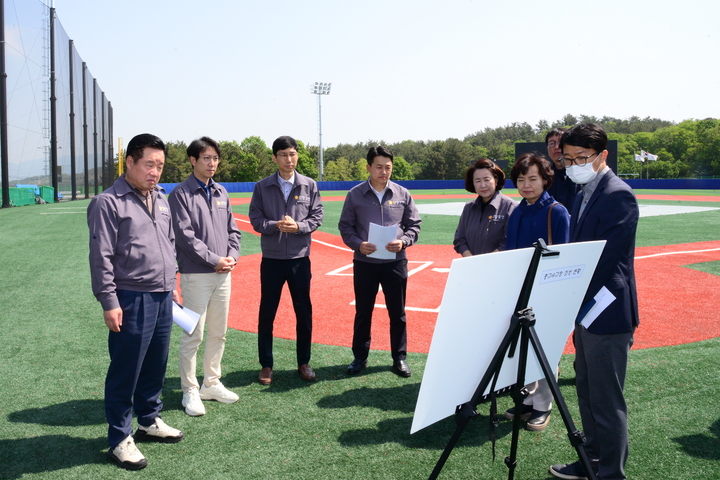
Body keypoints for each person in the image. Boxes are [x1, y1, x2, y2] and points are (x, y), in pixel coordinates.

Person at [88, 133, 183, 471]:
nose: (155, 172)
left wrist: (172, 282)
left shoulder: (160, 197)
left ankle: (149, 420)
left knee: (156, 363)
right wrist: (109, 301)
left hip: (162, 294)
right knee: (126, 370)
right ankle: (119, 438)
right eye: (148, 164)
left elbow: (169, 241)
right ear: (129, 162)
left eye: (159, 165)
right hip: (130, 298)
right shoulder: (108, 202)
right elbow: (101, 257)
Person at [549, 123, 639, 480]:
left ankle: (611, 473)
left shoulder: (618, 194)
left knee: (606, 398)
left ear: (602, 156)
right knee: (586, 388)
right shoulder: (582, 189)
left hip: (608, 310)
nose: (573, 165)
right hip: (586, 310)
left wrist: (563, 286)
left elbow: (604, 260)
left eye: (581, 158)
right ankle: (592, 459)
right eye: (568, 159)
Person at [168, 136, 242, 416]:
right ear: (193, 160)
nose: (212, 163)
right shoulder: (180, 194)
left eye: (215, 158)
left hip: (224, 273)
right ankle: (189, 390)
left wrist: (232, 257)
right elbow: (186, 237)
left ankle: (211, 382)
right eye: (206, 158)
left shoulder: (221, 192)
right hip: (196, 274)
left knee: (218, 332)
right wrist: (215, 260)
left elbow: (233, 231)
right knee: (193, 334)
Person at [338, 146, 422, 377]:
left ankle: (399, 358)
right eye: (379, 167)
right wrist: (358, 244)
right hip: (365, 262)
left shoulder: (402, 194)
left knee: (398, 312)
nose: (384, 171)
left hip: (395, 263)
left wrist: (404, 241)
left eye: (388, 167)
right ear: (368, 167)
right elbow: (345, 226)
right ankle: (360, 357)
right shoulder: (355, 194)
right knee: (363, 311)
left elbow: (414, 225)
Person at [502, 152, 570, 432]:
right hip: (518, 291)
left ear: (545, 180)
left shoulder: (557, 211)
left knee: (544, 351)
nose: (526, 184)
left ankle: (544, 406)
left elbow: (563, 258)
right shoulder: (518, 210)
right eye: (521, 179)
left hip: (545, 292)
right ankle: (528, 400)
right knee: (522, 351)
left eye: (533, 178)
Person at [249, 136, 323, 385]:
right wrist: (275, 225)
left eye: (292, 154)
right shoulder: (262, 186)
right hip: (271, 259)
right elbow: (256, 219)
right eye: (283, 154)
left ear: (297, 156)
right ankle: (266, 365)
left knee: (304, 311)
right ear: (274, 157)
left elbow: (317, 217)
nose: (288, 159)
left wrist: (299, 227)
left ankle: (304, 362)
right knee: (267, 312)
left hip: (300, 259)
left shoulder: (309, 185)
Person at [453, 158, 516, 256]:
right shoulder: (469, 208)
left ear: (496, 180)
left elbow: (509, 241)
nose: (483, 185)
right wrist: (471, 259)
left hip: (500, 266)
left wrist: (485, 262)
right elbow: (460, 239)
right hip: (472, 266)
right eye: (477, 181)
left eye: (487, 179)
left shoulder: (511, 207)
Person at [545, 127, 581, 211]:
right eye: (552, 143)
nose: (557, 147)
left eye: (560, 142)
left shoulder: (582, 174)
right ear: (547, 149)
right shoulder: (544, 176)